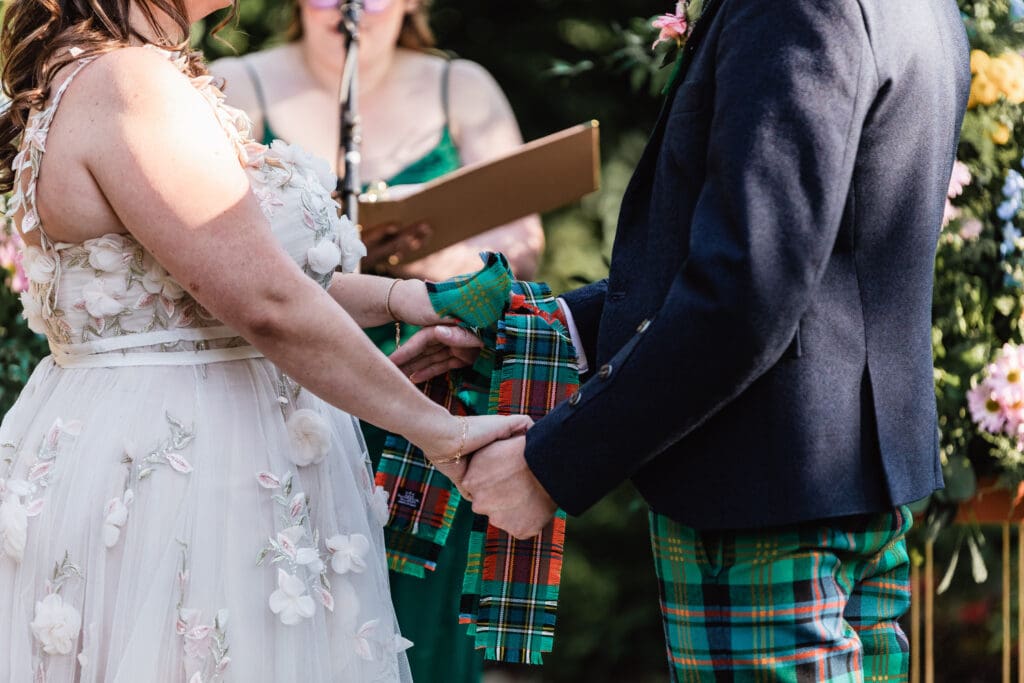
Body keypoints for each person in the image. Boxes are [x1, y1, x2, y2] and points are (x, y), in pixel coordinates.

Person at [396, 0, 971, 680]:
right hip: (852, 483)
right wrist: (547, 328)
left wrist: (555, 462)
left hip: (762, 497)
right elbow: (821, 266)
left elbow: (745, 293)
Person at [0, 0, 530, 678]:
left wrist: (411, 300)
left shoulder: (134, 75)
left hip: (191, 442)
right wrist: (439, 431)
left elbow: (233, 275)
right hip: (178, 470)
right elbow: (266, 303)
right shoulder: (129, 82)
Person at [209, 4, 542, 680]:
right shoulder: (237, 81)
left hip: (435, 380)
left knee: (422, 616)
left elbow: (525, 244)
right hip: (283, 383)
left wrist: (439, 260)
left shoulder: (462, 88)